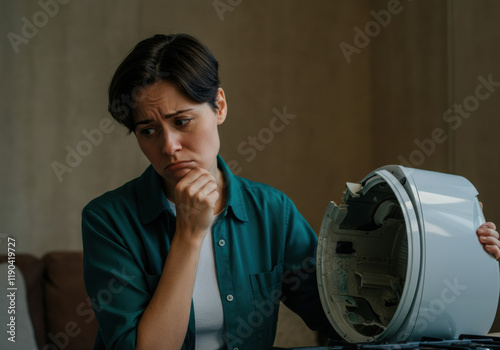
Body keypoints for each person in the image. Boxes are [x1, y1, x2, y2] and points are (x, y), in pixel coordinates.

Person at [81, 33, 500, 350]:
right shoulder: (107, 220)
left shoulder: (271, 212)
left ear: (219, 107)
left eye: (182, 121)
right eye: (148, 130)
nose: (168, 146)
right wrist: (189, 236)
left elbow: (343, 317)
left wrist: (463, 258)